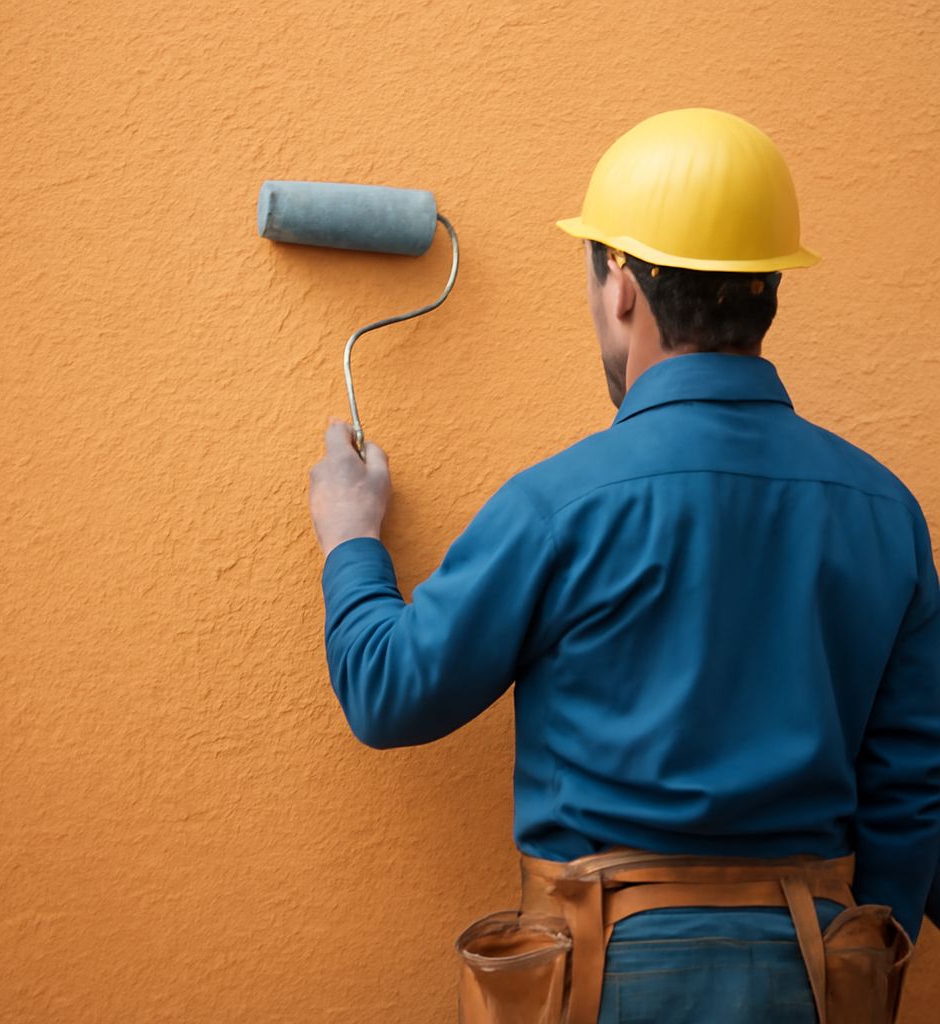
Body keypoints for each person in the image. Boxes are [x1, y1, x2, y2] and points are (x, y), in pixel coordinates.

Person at [307, 109, 940, 1022]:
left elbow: (390, 692)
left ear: (622, 287)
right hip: (816, 971)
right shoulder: (886, 511)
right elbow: (912, 783)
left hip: (604, 972)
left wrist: (350, 537)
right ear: (769, 291)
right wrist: (865, 967)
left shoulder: (557, 505)